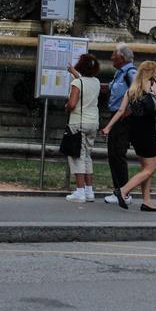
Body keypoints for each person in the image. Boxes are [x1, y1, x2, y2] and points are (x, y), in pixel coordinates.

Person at [101, 60, 156, 211]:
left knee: (145, 167)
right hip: (148, 131)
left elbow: (120, 111)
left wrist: (108, 127)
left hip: (134, 132)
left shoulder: (131, 90)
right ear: (152, 73)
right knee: (150, 169)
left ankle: (147, 201)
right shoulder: (152, 87)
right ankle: (123, 191)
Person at [103, 43, 138, 206]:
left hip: (123, 119)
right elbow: (109, 89)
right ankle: (119, 190)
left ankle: (124, 192)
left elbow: (139, 93)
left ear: (122, 58)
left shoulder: (131, 73)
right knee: (113, 154)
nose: (111, 58)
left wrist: (128, 111)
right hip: (116, 116)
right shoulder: (120, 73)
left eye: (113, 55)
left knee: (118, 153)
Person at [64, 53, 101, 203]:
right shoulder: (96, 82)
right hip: (93, 122)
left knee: (76, 156)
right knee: (87, 156)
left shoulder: (77, 83)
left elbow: (72, 104)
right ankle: (89, 190)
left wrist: (66, 106)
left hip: (78, 122)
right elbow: (84, 82)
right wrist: (74, 73)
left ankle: (79, 192)